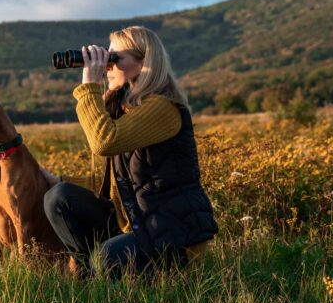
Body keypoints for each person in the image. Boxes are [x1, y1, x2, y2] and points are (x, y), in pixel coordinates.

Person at [40, 26, 218, 279]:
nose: (107, 66)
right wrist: (58, 181)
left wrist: (89, 85)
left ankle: (100, 273)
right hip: (139, 224)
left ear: (144, 62)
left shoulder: (162, 107)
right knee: (59, 197)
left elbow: (104, 142)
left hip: (171, 236)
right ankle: (86, 275)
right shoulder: (125, 107)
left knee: (105, 257)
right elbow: (120, 183)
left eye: (114, 59)